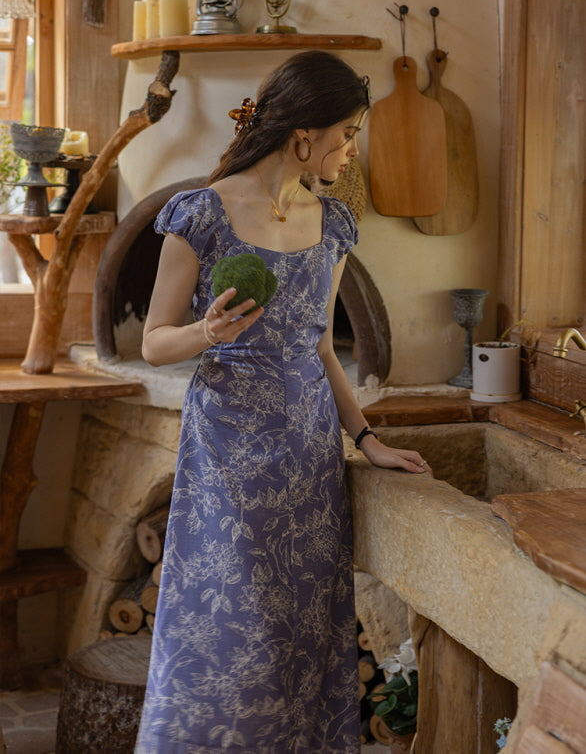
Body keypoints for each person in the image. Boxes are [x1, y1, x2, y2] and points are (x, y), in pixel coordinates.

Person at [135, 50, 430, 754]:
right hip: (227, 453)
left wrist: (368, 440)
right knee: (231, 627)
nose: (350, 153)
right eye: (347, 134)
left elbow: (324, 347)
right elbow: (152, 343)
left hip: (308, 459)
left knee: (300, 633)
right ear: (305, 136)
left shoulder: (331, 224)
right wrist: (205, 333)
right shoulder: (201, 213)